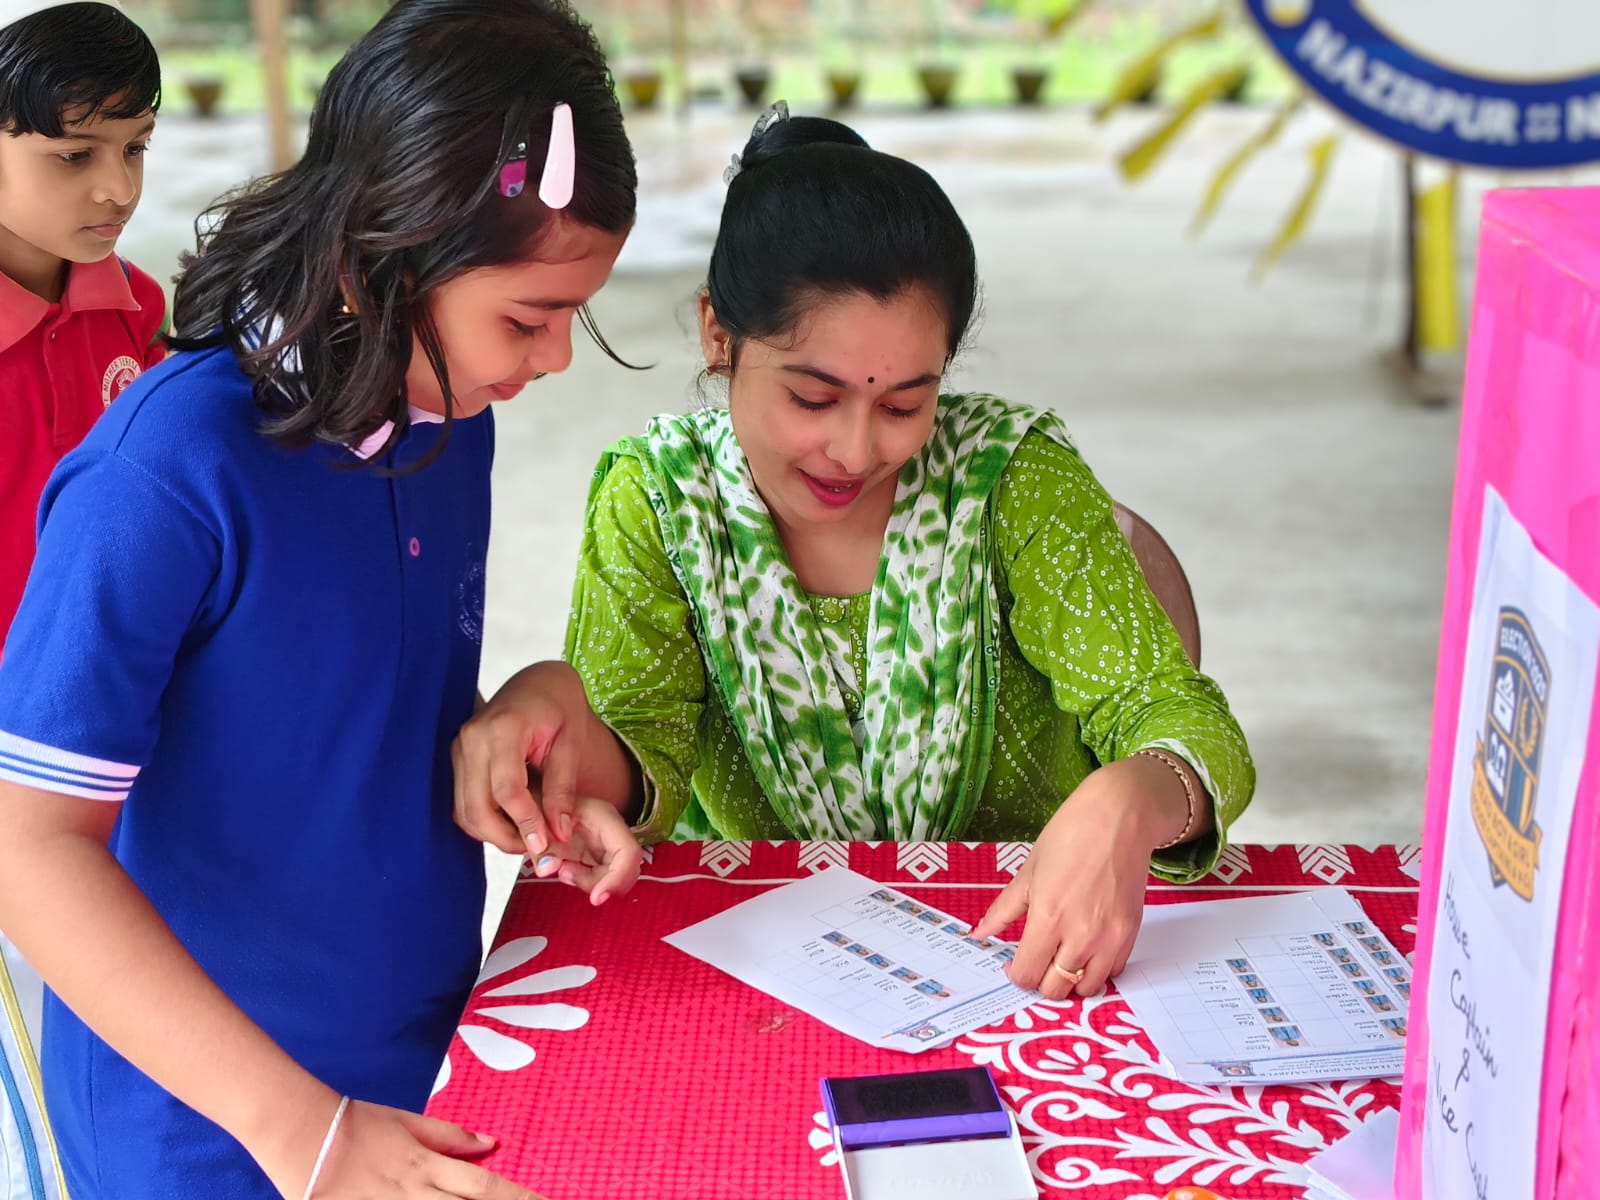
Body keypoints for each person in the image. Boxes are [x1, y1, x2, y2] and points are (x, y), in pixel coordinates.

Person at [0, 2, 641, 1196]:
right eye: (528, 317)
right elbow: (28, 845)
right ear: (373, 260)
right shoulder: (161, 475)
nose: (553, 359)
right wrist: (303, 1129)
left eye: (572, 314)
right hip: (208, 1128)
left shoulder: (451, 417)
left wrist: (519, 724)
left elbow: (354, 706)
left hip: (424, 1062)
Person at [454, 105, 1256, 1008]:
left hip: (1034, 963)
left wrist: (1134, 795)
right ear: (720, 335)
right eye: (812, 396)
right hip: (767, 971)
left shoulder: (1011, 481)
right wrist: (553, 719)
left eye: (906, 405)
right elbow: (646, 772)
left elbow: (1179, 719)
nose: (855, 450)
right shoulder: (661, 501)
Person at [0, 0, 165, 652]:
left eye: (135, 148)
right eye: (74, 157)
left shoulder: (138, 308)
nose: (119, 189)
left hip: (109, 664)